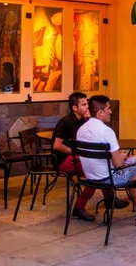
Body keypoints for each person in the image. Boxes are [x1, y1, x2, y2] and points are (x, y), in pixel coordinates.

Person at [75, 95, 136, 226]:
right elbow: (118, 165)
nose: (111, 112)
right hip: (110, 178)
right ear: (100, 112)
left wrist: (118, 157)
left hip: (90, 177)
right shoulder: (106, 131)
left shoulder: (81, 130)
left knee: (134, 168)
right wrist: (121, 157)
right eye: (108, 109)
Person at [51, 92, 128, 221]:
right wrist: (78, 152)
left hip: (77, 157)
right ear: (75, 108)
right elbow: (57, 146)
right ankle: (80, 208)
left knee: (96, 168)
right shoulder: (66, 122)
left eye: (87, 104)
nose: (87, 107)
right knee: (94, 172)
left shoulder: (84, 121)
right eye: (83, 104)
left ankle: (109, 199)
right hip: (63, 160)